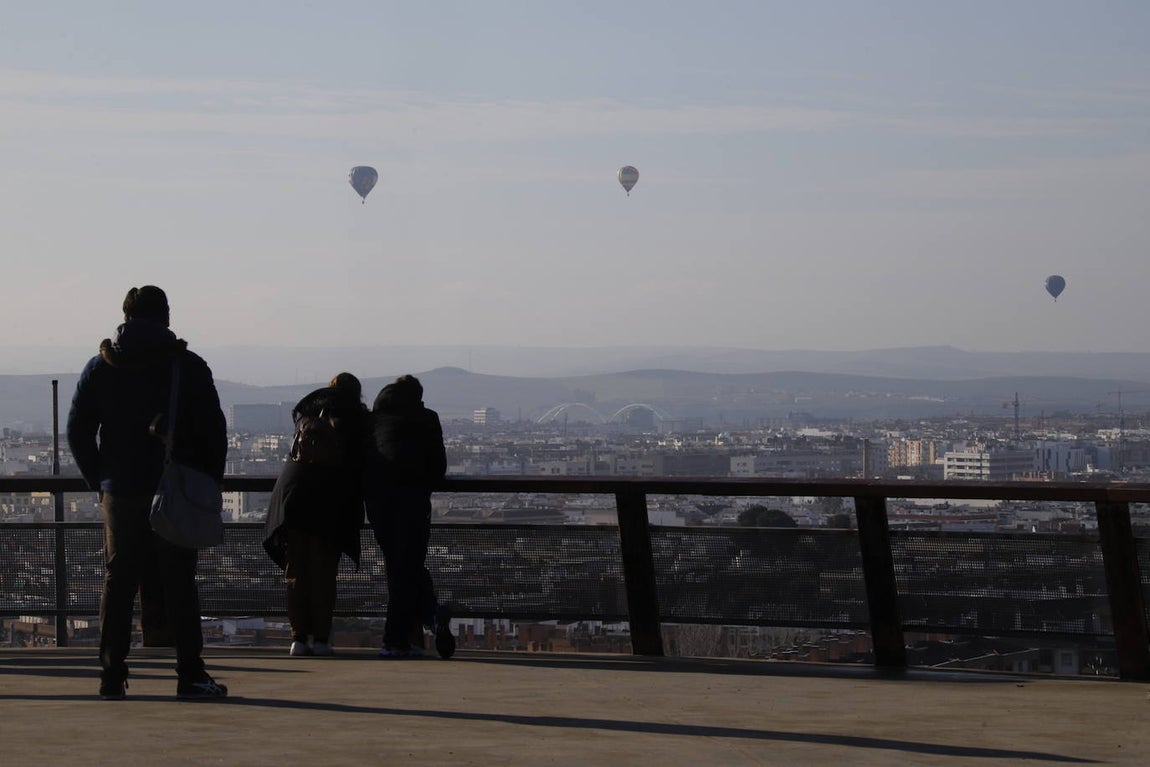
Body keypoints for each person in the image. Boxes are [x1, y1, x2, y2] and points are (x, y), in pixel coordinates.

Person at [67, 286, 228, 700]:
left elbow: (78, 430)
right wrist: (206, 481)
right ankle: (190, 674)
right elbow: (213, 432)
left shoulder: (100, 367)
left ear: (125, 315)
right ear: (167, 317)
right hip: (172, 486)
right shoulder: (187, 366)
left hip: (120, 491)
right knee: (179, 583)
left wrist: (100, 481)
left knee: (118, 583)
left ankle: (111, 674)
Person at [263, 372, 367, 657]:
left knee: (296, 573)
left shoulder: (306, 417)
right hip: (330, 506)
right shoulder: (353, 419)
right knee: (324, 574)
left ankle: (298, 638)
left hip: (293, 502)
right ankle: (321, 638)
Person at [364, 375, 454, 659]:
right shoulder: (426, 418)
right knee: (407, 566)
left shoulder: (375, 419)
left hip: (377, 501)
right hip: (412, 500)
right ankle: (400, 637)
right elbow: (438, 465)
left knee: (401, 565)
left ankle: (426, 618)